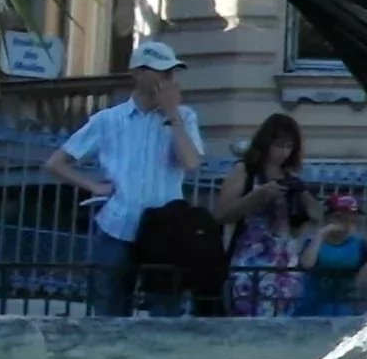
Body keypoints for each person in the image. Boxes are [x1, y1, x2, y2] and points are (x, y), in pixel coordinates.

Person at [45, 39, 204, 316]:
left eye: (171, 73)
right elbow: (56, 162)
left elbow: (191, 162)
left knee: (165, 310)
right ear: (137, 73)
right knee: (109, 308)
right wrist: (93, 186)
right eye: (160, 71)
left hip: (165, 231)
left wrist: (172, 115)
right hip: (118, 225)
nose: (167, 79)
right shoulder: (108, 120)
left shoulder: (184, 117)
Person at [218, 112, 312, 316]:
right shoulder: (245, 171)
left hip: (284, 263)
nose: (283, 152)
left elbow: (302, 224)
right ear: (266, 143)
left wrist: (303, 201)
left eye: (288, 146)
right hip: (251, 261)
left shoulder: (290, 178)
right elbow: (224, 213)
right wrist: (257, 196)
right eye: (278, 145)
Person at [295, 193, 367, 318]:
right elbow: (307, 264)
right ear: (328, 219)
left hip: (344, 308)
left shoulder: (359, 244)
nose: (347, 225)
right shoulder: (313, 242)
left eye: (352, 221)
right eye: (341, 219)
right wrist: (321, 234)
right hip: (312, 309)